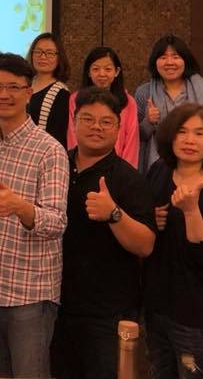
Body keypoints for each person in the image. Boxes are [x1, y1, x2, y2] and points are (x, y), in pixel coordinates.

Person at [0, 53, 68, 378]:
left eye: (13, 87)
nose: (3, 94)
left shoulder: (50, 150)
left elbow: (57, 222)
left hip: (30, 293)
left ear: (29, 92)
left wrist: (21, 207)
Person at [52, 87, 156, 379]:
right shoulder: (56, 166)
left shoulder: (128, 178)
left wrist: (113, 213)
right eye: (87, 119)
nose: (96, 127)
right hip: (56, 305)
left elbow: (145, 245)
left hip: (107, 313)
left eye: (106, 121)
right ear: (74, 123)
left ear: (118, 129)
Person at [143, 103, 203, 379]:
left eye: (199, 133)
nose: (189, 140)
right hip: (157, 303)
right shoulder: (159, 170)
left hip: (196, 314)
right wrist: (152, 219)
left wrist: (191, 210)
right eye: (182, 132)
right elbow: (146, 228)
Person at [135, 35, 203, 174]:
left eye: (175, 57)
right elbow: (137, 137)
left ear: (185, 60)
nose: (169, 62)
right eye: (163, 57)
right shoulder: (144, 92)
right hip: (155, 167)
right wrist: (148, 121)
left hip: (194, 167)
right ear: (155, 62)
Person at [66, 47, 139, 167]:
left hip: (117, 168)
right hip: (82, 166)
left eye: (108, 69)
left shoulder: (129, 102)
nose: (102, 74)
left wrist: (125, 171)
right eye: (96, 69)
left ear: (117, 71)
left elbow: (131, 141)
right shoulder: (75, 99)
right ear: (88, 72)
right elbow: (73, 135)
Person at [25, 31, 71, 145]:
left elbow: (58, 136)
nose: (43, 57)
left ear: (59, 58)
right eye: (38, 52)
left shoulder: (61, 93)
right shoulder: (24, 84)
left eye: (49, 53)